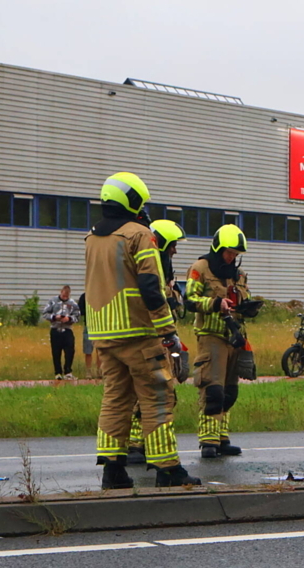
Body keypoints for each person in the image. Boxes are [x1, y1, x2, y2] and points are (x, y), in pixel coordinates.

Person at [84, 171, 200, 489]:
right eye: (141, 202)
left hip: (103, 333)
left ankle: (113, 471)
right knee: (158, 396)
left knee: (115, 399)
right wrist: (168, 331)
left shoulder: (92, 237)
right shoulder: (139, 234)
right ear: (132, 200)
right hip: (138, 331)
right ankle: (168, 469)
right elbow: (151, 287)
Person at [186, 224, 253, 459]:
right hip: (211, 336)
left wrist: (248, 308)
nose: (232, 257)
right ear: (218, 248)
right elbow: (190, 300)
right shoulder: (200, 268)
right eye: (229, 253)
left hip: (234, 337)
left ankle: (223, 438)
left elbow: (244, 297)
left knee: (229, 391)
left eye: (236, 254)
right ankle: (208, 441)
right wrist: (215, 304)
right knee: (212, 390)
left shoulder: (239, 274)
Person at [127, 219, 187, 465]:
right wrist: (168, 333)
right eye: (172, 245)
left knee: (156, 392)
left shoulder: (163, 272)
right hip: (150, 339)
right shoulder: (148, 272)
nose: (175, 250)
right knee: (152, 393)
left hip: (160, 339)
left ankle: (139, 445)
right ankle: (136, 446)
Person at [41, 285, 79, 380]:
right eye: (63, 296)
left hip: (67, 330)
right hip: (55, 329)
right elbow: (45, 314)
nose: (65, 298)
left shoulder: (73, 303)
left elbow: (77, 316)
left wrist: (69, 319)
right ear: (60, 292)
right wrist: (54, 317)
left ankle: (68, 371)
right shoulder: (52, 301)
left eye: (66, 296)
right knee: (56, 352)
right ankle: (58, 372)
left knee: (70, 351)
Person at [77, 291, 101, 380]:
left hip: (99, 326)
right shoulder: (84, 296)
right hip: (89, 326)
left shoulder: (100, 295)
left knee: (100, 350)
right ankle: (88, 371)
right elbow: (80, 310)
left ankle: (99, 370)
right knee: (88, 350)